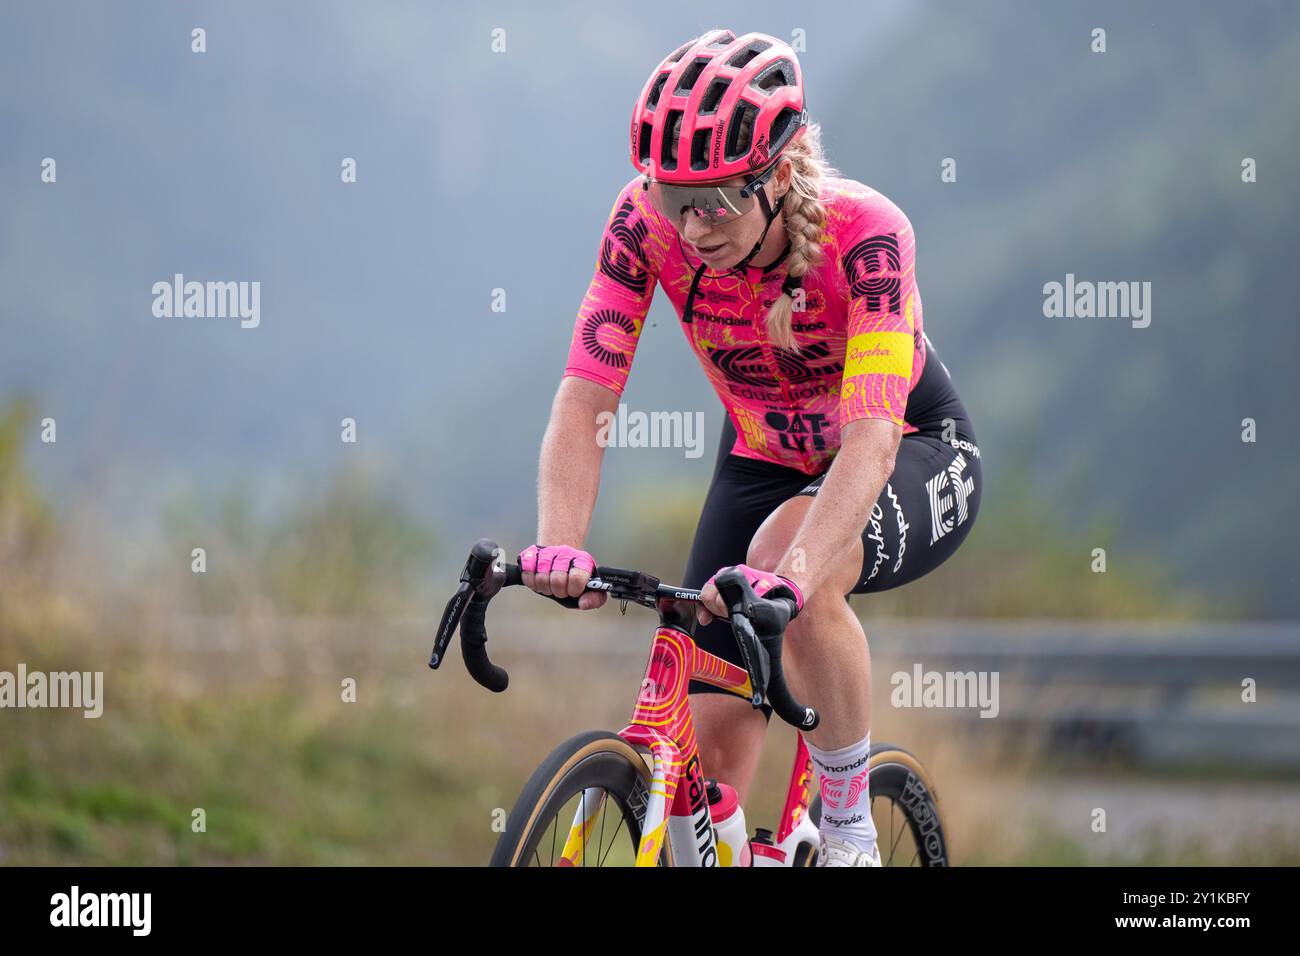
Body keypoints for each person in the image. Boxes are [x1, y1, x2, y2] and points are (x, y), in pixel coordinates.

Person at [521, 28, 981, 867]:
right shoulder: (642, 224)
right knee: (709, 767)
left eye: (717, 200)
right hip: (764, 455)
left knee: (784, 560)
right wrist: (560, 542)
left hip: (910, 446)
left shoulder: (868, 235)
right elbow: (588, 393)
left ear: (778, 173)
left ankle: (849, 833)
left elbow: (871, 441)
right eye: (674, 199)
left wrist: (796, 578)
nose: (692, 227)